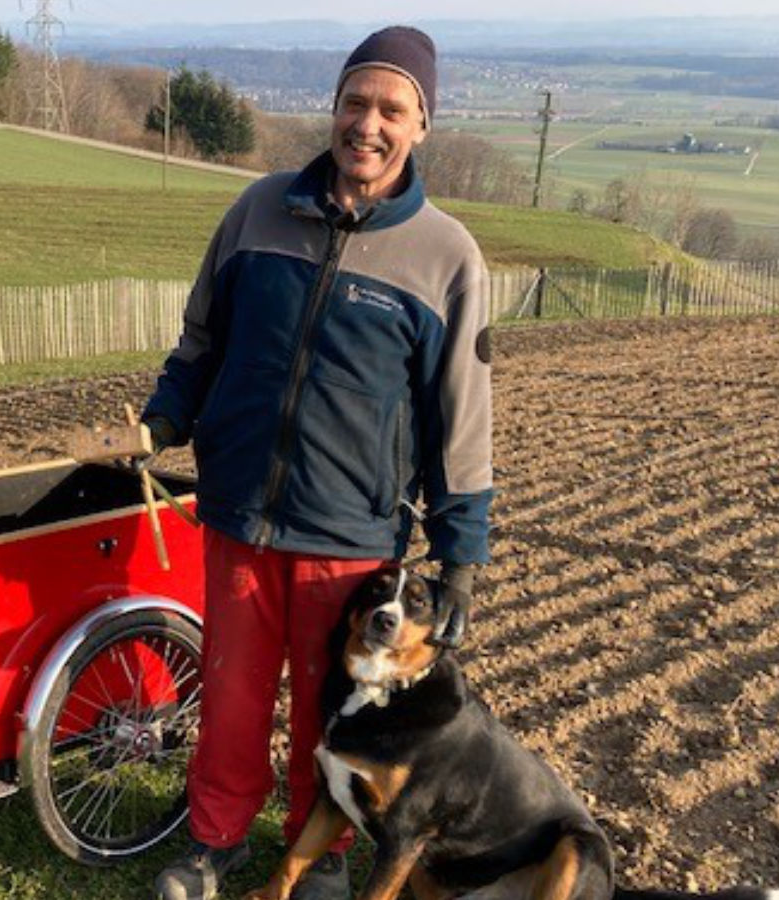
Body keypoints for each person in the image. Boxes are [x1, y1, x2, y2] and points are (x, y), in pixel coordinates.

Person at [143, 25, 493, 900]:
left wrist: (460, 559)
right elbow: (201, 341)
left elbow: (460, 417)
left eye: (392, 110)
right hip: (238, 513)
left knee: (326, 711)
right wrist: (165, 417)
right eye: (355, 103)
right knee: (229, 697)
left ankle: (323, 853)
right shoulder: (258, 210)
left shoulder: (446, 255)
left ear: (421, 126)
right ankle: (215, 840)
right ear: (333, 108)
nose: (368, 125)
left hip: (349, 535)